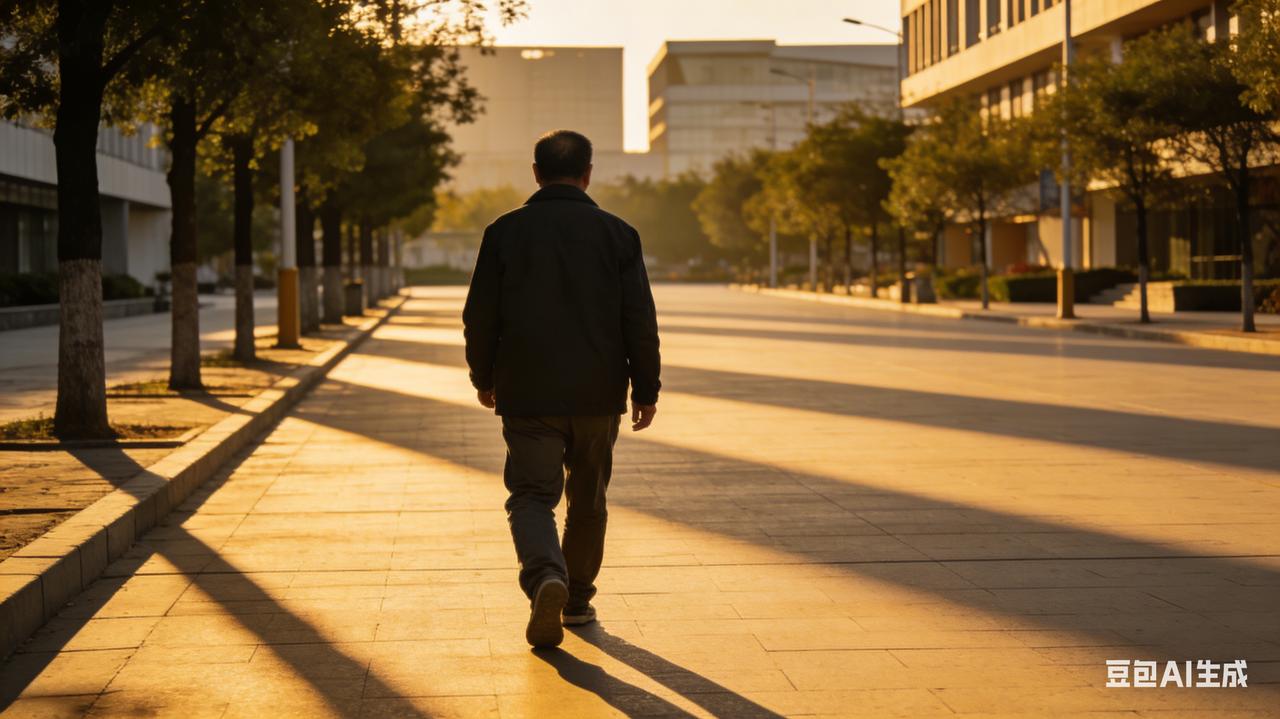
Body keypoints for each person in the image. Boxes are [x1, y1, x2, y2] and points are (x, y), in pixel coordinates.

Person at [462, 129, 662, 649]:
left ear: (535, 172)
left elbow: (479, 315)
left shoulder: (504, 232)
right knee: (588, 499)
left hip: (527, 393)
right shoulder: (618, 233)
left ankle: (545, 576)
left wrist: (483, 377)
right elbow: (639, 317)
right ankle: (575, 598)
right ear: (588, 173)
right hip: (598, 395)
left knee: (531, 496)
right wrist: (646, 387)